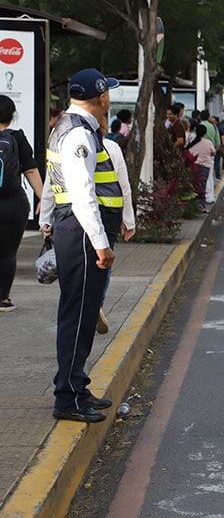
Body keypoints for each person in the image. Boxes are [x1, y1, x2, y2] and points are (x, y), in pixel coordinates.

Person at [45, 68, 124, 423]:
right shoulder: (79, 135)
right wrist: (101, 243)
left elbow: (51, 182)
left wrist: (46, 219)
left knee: (82, 313)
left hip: (71, 230)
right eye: (108, 93)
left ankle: (75, 384)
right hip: (80, 232)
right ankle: (68, 398)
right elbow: (82, 195)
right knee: (78, 316)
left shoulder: (65, 126)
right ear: (101, 97)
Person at [41, 114, 135, 335]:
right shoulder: (111, 147)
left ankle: (78, 306)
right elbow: (124, 185)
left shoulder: (62, 139)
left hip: (69, 217)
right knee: (102, 264)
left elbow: (50, 181)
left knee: (71, 265)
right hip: (105, 216)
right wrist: (128, 220)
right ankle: (95, 304)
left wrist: (45, 217)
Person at [0, 94, 44, 313]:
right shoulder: (16, 137)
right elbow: (31, 170)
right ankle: (3, 299)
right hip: (13, 205)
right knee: (7, 253)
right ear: (12, 116)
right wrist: (44, 200)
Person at [186, 124, 217, 212]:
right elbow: (213, 153)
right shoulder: (208, 142)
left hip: (193, 166)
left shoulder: (192, 142)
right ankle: (201, 205)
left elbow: (188, 152)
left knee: (194, 184)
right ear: (205, 133)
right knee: (202, 185)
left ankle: (194, 203)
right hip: (205, 167)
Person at [199, 110, 221, 191]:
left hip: (200, 152)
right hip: (211, 151)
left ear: (200, 117)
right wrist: (215, 151)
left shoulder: (199, 125)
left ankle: (202, 191)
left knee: (200, 174)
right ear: (208, 117)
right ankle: (209, 193)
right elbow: (217, 141)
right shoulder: (213, 126)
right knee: (210, 174)